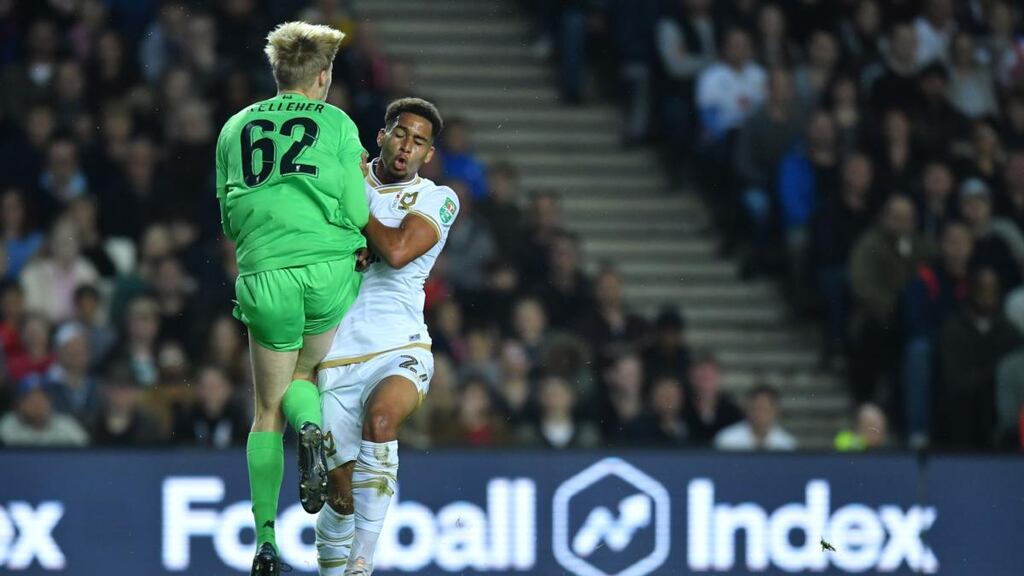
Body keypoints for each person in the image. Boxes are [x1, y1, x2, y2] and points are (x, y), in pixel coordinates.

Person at [215, 22, 369, 575]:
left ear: (277, 74)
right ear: (322, 78)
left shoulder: (236, 127)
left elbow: (230, 217)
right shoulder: (337, 123)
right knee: (306, 378)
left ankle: (265, 539)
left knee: (264, 410)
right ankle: (314, 429)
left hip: (265, 274)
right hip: (328, 268)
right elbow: (356, 210)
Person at [314, 97, 456, 576]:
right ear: (381, 135)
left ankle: (362, 562)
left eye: (419, 142)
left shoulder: (438, 198)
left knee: (382, 421)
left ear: (428, 155)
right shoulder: (341, 175)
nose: (406, 148)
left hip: (400, 344)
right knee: (341, 495)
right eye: (400, 134)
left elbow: (395, 251)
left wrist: (351, 203)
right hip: (335, 355)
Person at [714, 384, 797, 451]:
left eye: (765, 409)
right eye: (756, 408)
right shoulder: (727, 440)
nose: (760, 414)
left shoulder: (786, 444)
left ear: (775, 411)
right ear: (747, 409)